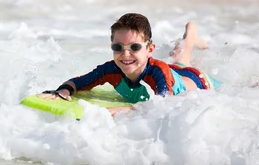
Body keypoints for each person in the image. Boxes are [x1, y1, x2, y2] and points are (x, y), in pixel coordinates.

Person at [38, 13, 220, 115]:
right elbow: (79, 81)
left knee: (182, 62)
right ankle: (190, 38)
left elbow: (163, 105)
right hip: (174, 72)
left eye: (134, 47)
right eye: (118, 47)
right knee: (179, 61)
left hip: (198, 81)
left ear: (150, 49)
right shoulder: (112, 69)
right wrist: (63, 91)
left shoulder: (157, 73)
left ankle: (190, 37)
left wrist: (127, 109)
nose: (125, 54)